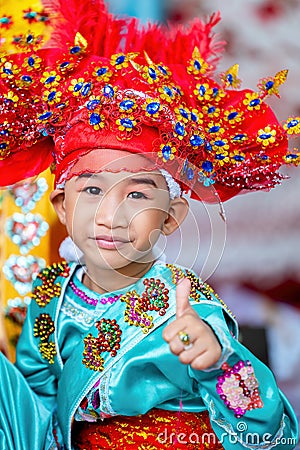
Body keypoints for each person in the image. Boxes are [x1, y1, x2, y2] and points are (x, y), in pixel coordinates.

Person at [0, 0, 299, 448]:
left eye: (137, 195)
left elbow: (269, 436)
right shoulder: (50, 298)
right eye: (91, 190)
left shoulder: (186, 303)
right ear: (61, 206)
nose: (111, 215)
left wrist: (221, 365)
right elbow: (35, 414)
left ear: (172, 217)